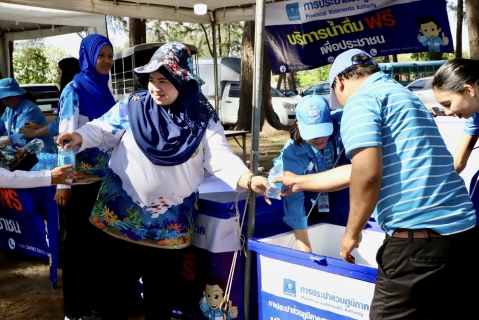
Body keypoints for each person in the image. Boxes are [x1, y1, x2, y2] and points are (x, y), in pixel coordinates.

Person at [56, 41, 270, 320]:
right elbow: (102, 129)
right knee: (116, 297)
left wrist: (247, 178)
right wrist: (79, 136)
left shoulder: (202, 117)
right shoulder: (131, 107)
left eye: (164, 80)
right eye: (152, 80)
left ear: (182, 80)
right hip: (120, 222)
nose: (156, 87)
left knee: (161, 297)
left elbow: (218, 156)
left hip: (170, 228)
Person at [326, 48, 477, 319]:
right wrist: (300, 181)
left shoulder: (361, 101)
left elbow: (367, 173)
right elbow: (375, 168)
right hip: (461, 235)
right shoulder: (406, 96)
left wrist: (352, 232)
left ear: (339, 83)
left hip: (416, 242)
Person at [55, 34, 116, 320]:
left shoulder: (106, 91)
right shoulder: (75, 89)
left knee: (99, 249)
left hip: (103, 184)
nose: (106, 61)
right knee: (78, 250)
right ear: (88, 56)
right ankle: (74, 311)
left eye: (109, 55)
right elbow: (65, 137)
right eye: (100, 55)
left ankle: (95, 305)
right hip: (78, 185)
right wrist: (64, 183)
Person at [269, 95, 346, 252]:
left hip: (332, 198)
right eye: (312, 133)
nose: (318, 138)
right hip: (304, 203)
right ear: (298, 124)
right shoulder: (293, 153)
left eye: (323, 130)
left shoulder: (343, 119)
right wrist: (306, 252)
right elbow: (293, 201)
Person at [432, 58, 479, 174]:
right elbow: (458, 162)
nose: (447, 112)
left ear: (469, 91)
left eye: (448, 104)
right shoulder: (474, 115)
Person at [21, 57, 81, 138]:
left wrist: (35, 132)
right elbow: (60, 124)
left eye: (59, 73)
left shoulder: (71, 93)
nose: (58, 78)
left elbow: (60, 125)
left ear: (67, 73)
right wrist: (37, 127)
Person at [0, 78, 57, 153]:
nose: (4, 101)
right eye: (2, 98)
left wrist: (2, 143)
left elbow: (22, 134)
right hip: (24, 153)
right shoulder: (9, 110)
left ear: (17, 94)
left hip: (43, 154)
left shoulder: (30, 109)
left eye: (7, 97)